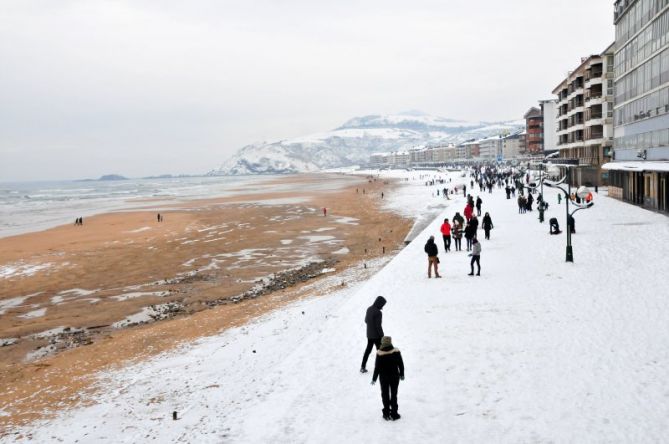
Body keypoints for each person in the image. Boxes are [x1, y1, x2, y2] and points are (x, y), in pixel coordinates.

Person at [371, 336, 404, 421]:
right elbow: (401, 364)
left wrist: (374, 378)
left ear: (382, 343)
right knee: (394, 394)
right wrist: (402, 374)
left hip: (384, 378)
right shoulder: (396, 351)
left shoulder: (379, 353)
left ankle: (386, 413)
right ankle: (394, 414)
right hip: (394, 377)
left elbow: (377, 367)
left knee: (385, 394)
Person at [361, 296, 386, 373]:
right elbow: (378, 326)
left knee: (368, 350)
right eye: (383, 304)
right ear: (380, 303)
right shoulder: (378, 312)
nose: (382, 306)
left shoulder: (369, 309)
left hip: (369, 334)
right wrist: (382, 336)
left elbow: (366, 320)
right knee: (380, 351)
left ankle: (362, 366)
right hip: (377, 336)